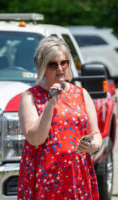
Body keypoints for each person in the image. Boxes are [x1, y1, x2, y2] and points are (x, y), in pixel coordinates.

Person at [17, 36, 102, 200]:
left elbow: (95, 133)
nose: (60, 68)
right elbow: (35, 139)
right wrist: (51, 103)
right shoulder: (30, 96)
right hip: (46, 176)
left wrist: (92, 145)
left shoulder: (81, 94)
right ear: (42, 66)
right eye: (53, 64)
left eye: (64, 62)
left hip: (77, 174)